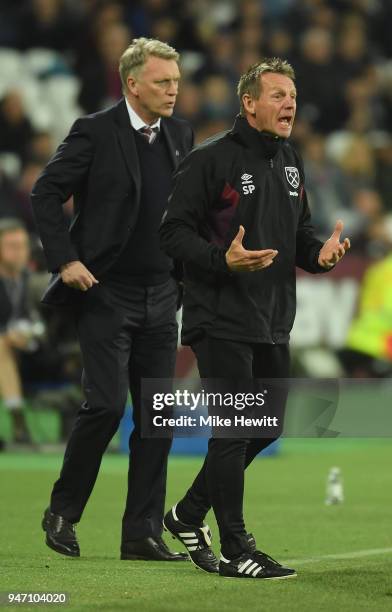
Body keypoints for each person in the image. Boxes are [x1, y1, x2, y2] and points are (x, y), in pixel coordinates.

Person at [160, 58, 350, 579]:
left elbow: (299, 236)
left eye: (292, 94)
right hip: (218, 315)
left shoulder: (290, 160)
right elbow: (172, 233)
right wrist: (222, 260)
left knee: (263, 427)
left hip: (271, 318)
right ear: (249, 103)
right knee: (234, 428)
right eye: (278, 94)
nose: (289, 103)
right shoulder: (211, 160)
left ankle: (186, 514)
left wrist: (320, 256)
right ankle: (236, 548)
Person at [31, 38, 193, 562]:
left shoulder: (180, 135)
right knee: (104, 404)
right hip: (107, 292)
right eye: (163, 82)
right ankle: (63, 510)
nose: (174, 90)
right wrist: (65, 259)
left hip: (162, 293)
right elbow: (45, 192)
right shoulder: (95, 131)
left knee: (157, 416)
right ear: (132, 84)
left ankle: (141, 533)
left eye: (176, 81)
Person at [0, 218, 40, 445]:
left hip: (32, 353)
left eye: (23, 246)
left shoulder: (30, 279)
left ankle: (17, 417)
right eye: (12, 247)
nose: (20, 253)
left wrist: (30, 333)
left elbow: (42, 320)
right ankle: (18, 420)